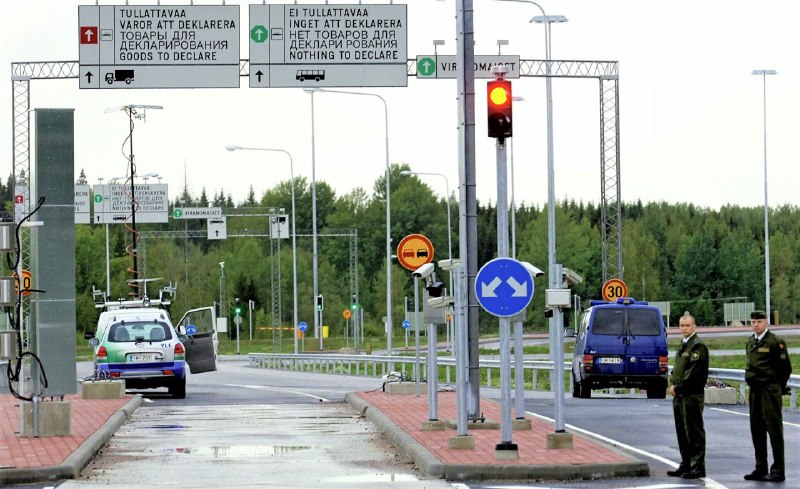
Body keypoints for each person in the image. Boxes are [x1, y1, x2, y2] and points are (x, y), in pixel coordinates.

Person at [744, 310, 793, 483]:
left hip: (769, 390)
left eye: (759, 321)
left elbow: (785, 368)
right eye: (753, 322)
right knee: (756, 429)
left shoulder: (775, 342)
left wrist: (776, 388)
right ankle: (760, 467)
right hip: (755, 391)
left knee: (774, 430)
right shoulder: (751, 342)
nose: (756, 324)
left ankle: (778, 470)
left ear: (766, 323)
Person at [667, 313, 709, 479]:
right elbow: (677, 368)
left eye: (687, 325)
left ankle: (698, 465)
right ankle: (686, 463)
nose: (684, 328)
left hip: (691, 395)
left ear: (694, 327)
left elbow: (694, 373)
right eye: (682, 325)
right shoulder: (683, 344)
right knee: (682, 430)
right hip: (679, 395)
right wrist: (672, 385)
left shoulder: (697, 346)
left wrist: (678, 387)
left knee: (694, 430)